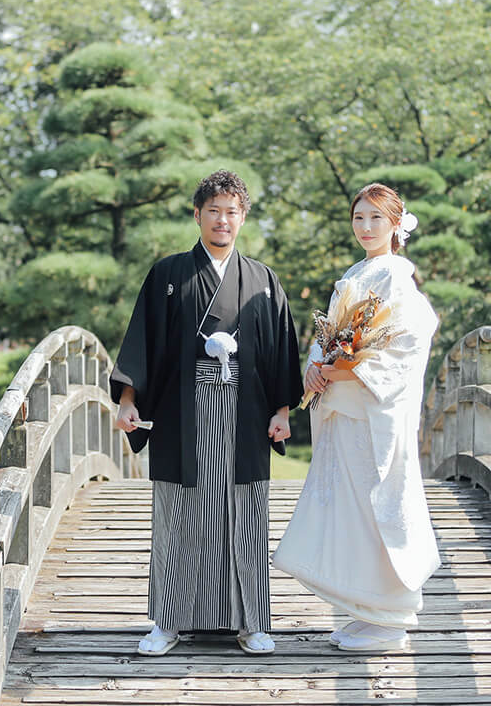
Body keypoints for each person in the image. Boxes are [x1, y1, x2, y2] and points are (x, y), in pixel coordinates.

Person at [110, 170, 304, 657]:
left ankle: (252, 622)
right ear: (197, 215)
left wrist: (282, 410)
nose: (222, 220)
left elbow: (282, 350)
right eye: (213, 210)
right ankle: (169, 621)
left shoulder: (262, 280)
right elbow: (144, 341)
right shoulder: (168, 274)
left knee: (245, 516)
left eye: (232, 211)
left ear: (243, 218)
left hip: (246, 416)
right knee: (178, 515)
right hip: (183, 414)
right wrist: (129, 399)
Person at [272, 183, 441, 653]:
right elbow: (330, 335)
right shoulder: (358, 272)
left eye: (375, 219)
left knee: (376, 507)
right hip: (347, 409)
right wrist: (315, 365)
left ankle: (390, 618)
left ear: (394, 226)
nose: (365, 227)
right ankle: (367, 611)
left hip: (371, 412)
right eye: (359, 218)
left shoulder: (396, 277)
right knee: (352, 509)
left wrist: (351, 368)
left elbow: (410, 339)